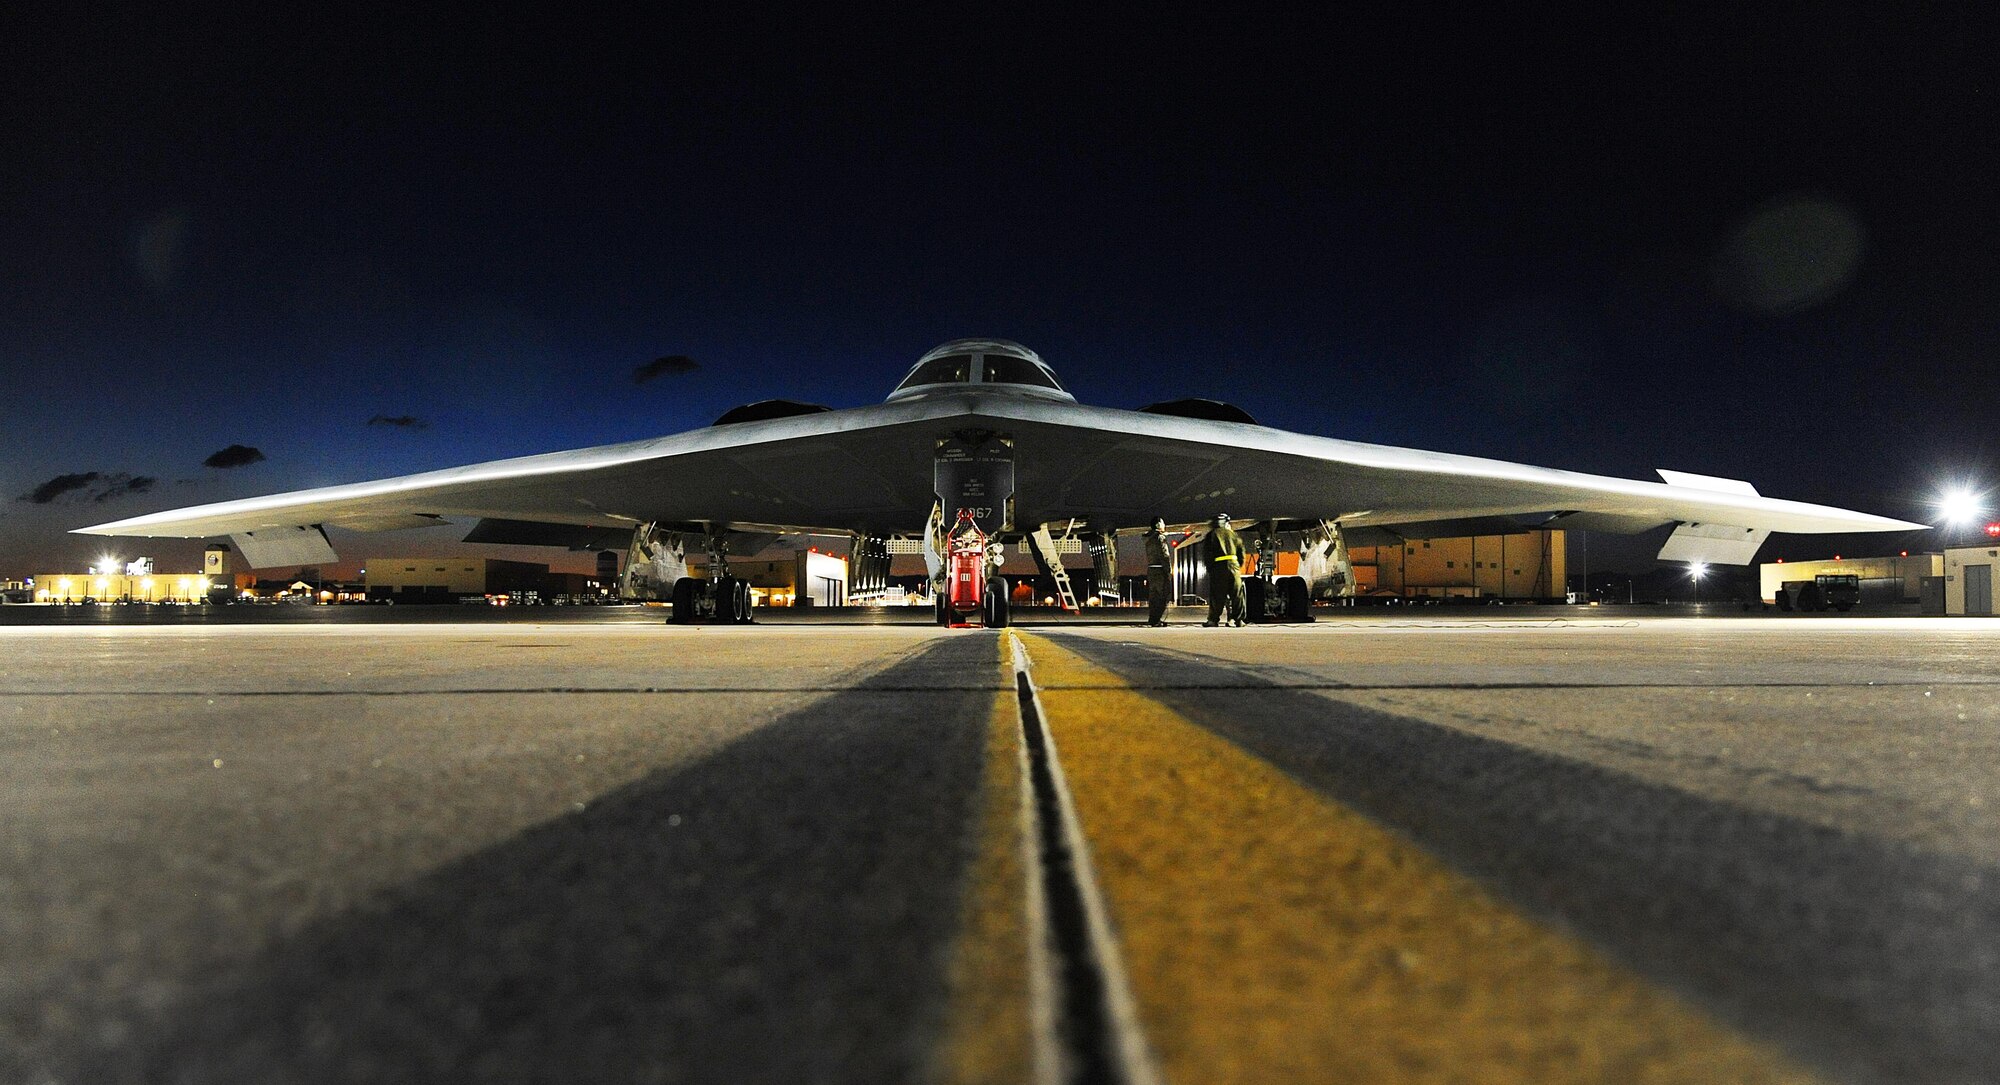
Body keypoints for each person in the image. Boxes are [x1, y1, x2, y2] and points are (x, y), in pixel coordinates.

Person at [1202, 513, 1247, 627]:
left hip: (1218, 568)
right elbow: (1241, 552)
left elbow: (1207, 554)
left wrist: (1211, 569)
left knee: (1217, 595)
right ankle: (1239, 620)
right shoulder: (1233, 534)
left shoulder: (1211, 535)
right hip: (1234, 566)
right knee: (1237, 594)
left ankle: (1213, 620)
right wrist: (1237, 566)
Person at [1144, 517, 1174, 626]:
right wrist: (1168, 570)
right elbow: (1164, 555)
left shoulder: (1148, 538)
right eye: (1163, 523)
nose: (1164, 525)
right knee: (1163, 595)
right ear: (1158, 525)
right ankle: (1156, 619)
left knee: (1153, 596)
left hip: (1151, 569)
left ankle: (1153, 619)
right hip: (1160, 570)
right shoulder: (1159, 538)